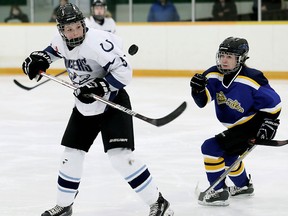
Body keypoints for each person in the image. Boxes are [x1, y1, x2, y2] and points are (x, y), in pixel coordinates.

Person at [21, 3, 174, 216]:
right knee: (71, 155)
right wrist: (38, 60)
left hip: (113, 102)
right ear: (61, 30)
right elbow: (50, 53)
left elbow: (124, 72)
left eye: (77, 27)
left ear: (83, 24)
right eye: (68, 29)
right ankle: (64, 205)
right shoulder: (60, 41)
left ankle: (159, 203)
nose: (74, 33)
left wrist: (99, 86)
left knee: (120, 157)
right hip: (84, 106)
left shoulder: (99, 43)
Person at [190, 37, 281, 206]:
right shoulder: (212, 74)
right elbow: (202, 101)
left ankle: (217, 192)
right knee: (228, 154)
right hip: (235, 127)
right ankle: (243, 186)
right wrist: (197, 90)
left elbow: (274, 104)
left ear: (241, 59)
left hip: (252, 124)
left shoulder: (252, 78)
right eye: (222, 55)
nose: (224, 60)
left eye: (230, 57)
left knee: (210, 148)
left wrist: (270, 123)